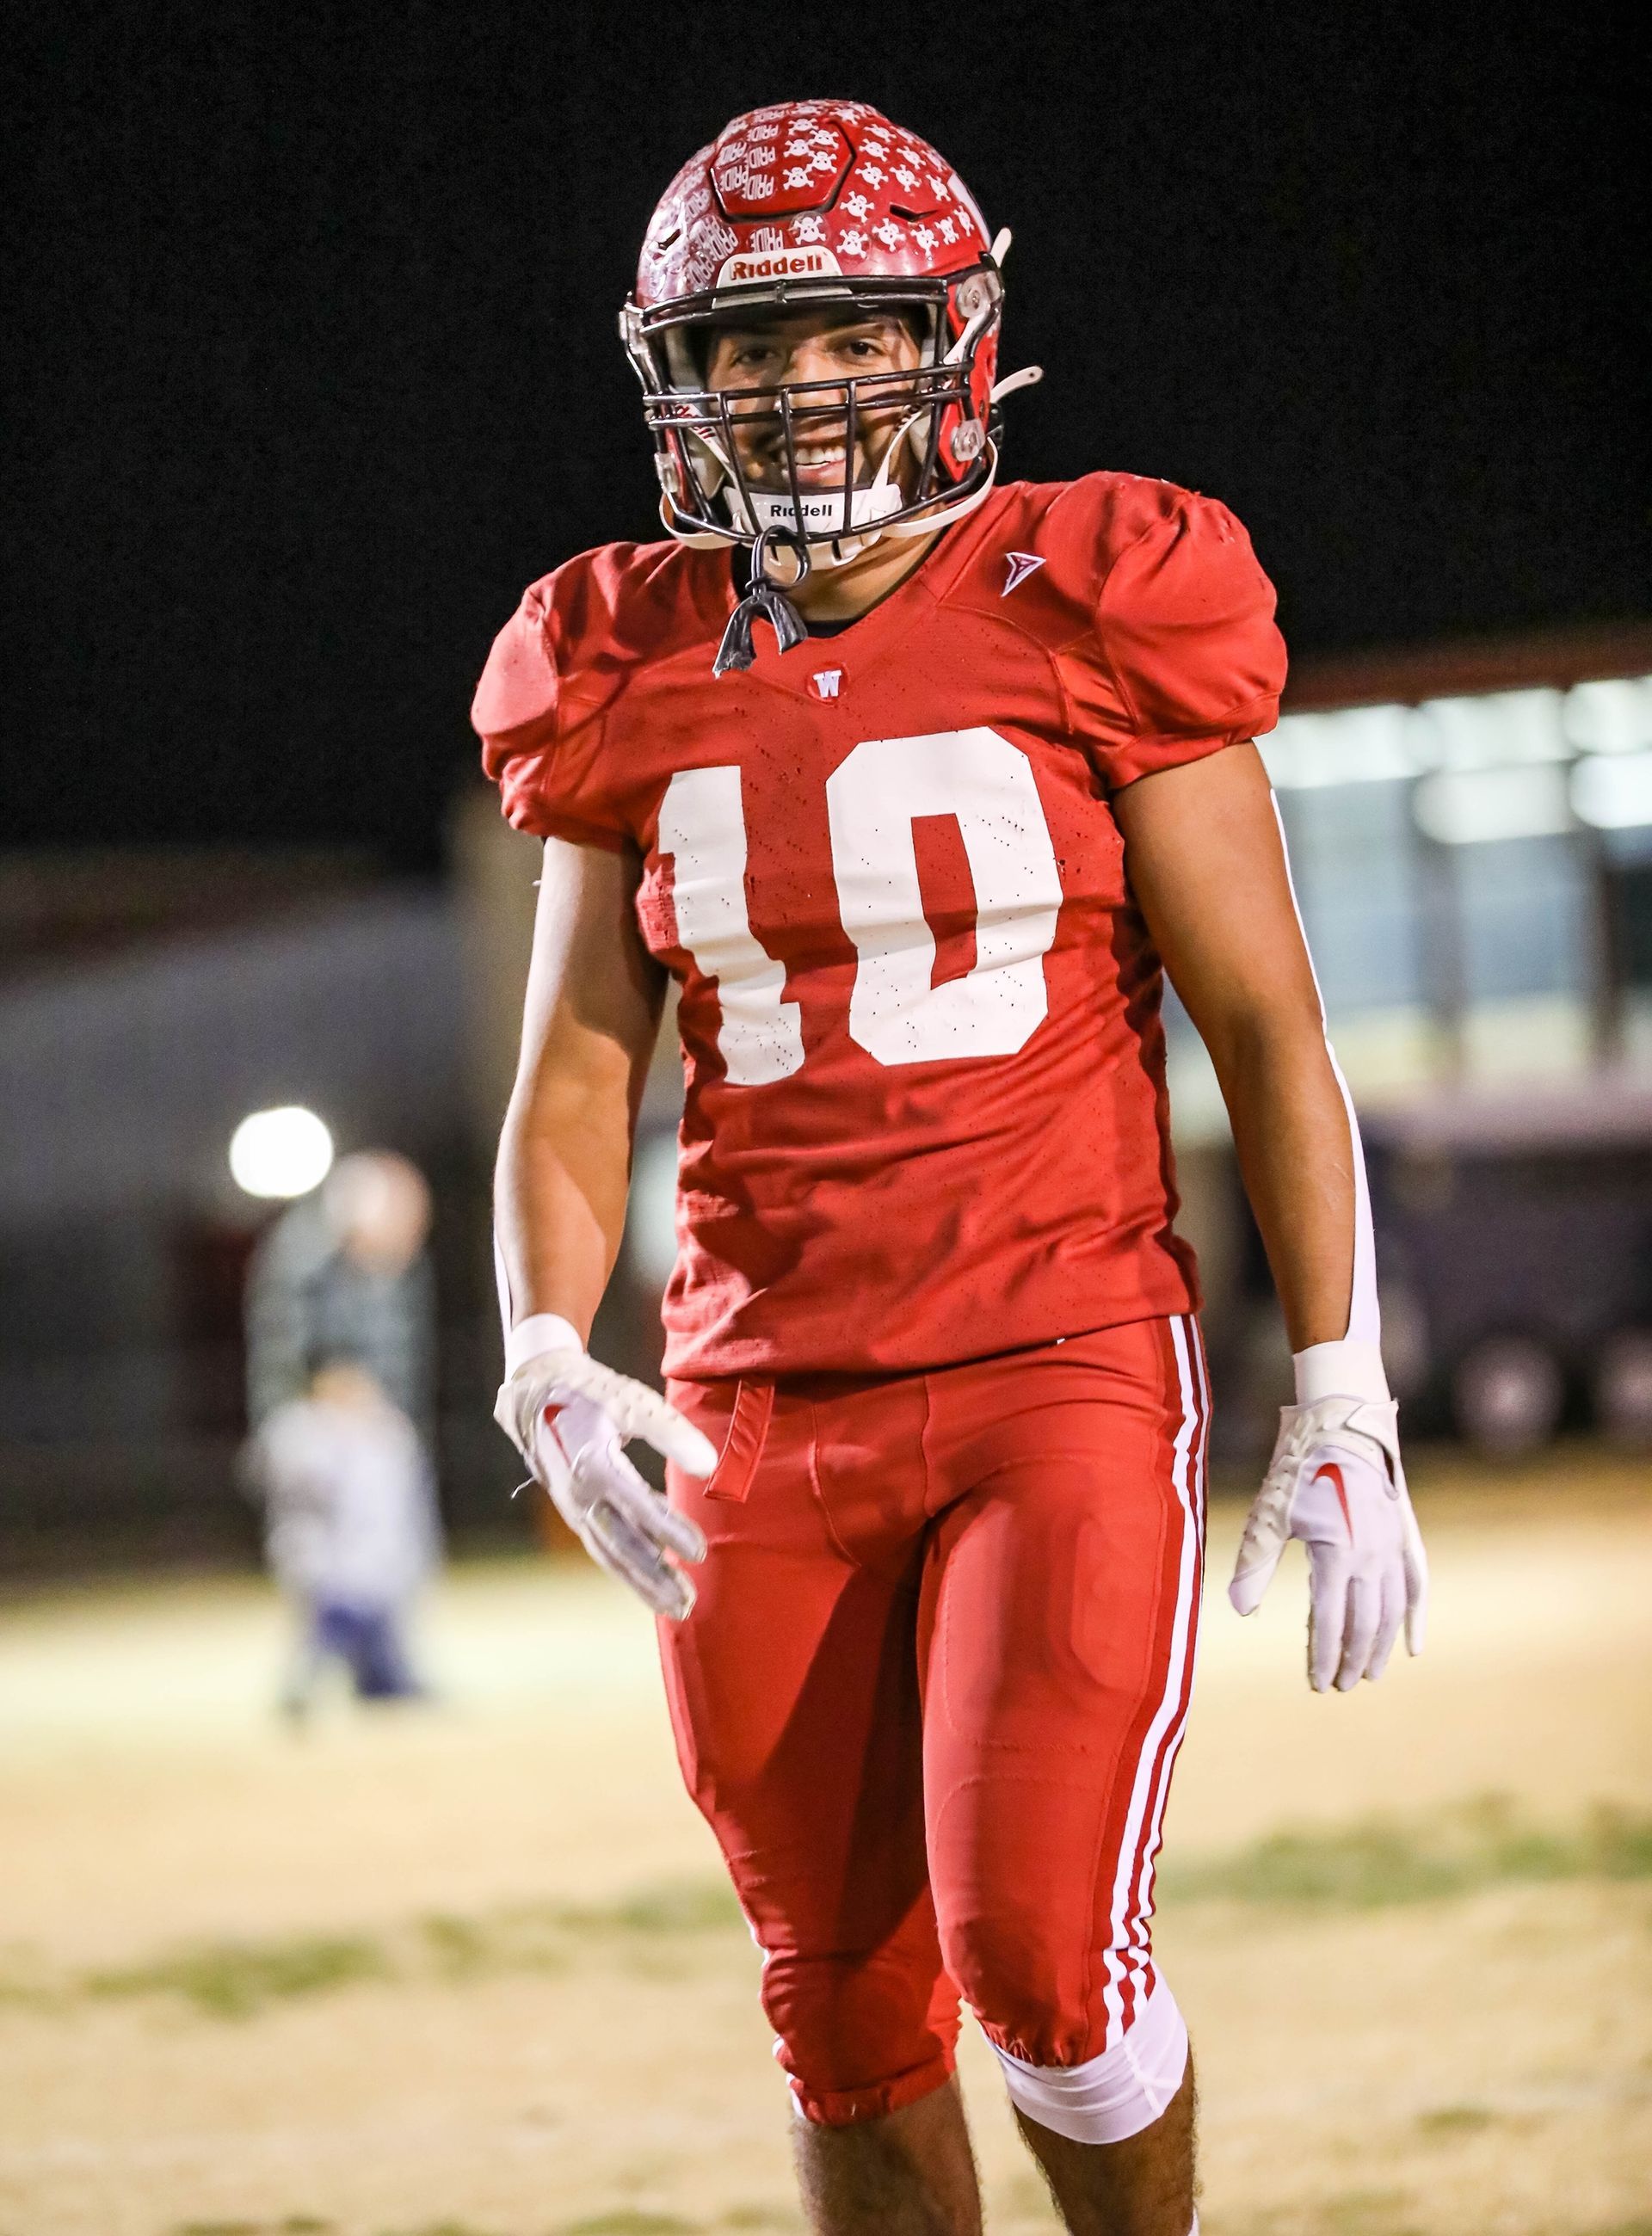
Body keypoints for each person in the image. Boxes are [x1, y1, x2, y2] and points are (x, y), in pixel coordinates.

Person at [478, 98, 1428, 2236]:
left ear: (953, 338)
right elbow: (570, 1079)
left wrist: (1342, 1382)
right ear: (676, 378)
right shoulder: (615, 653)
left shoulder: (1096, 593)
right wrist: (545, 1341)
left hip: (1055, 1364)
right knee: (837, 2010)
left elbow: (1267, 1026)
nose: (796, 387)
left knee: (1046, 1974)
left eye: (841, 334)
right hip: (756, 1410)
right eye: (746, 346)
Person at [245, 1352, 440, 1716]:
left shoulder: (386, 1428)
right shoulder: (300, 1431)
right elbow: (290, 1484)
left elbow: (407, 1498)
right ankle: (305, 1684)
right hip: (326, 1558)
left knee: (381, 1644)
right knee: (334, 1623)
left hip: (382, 1557)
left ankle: (382, 1683)